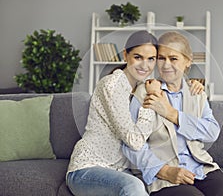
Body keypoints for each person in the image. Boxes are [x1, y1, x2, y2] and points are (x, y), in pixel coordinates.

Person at [66, 30, 204, 196]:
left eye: (151, 59)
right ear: (126, 55)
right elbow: (135, 141)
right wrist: (150, 97)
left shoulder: (142, 85)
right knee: (133, 187)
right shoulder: (113, 84)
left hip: (121, 170)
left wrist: (192, 86)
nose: (144, 65)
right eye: (138, 57)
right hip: (88, 168)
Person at [123, 31, 223, 196]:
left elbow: (212, 132)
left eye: (173, 58)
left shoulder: (196, 92)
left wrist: (172, 114)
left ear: (188, 61)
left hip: (199, 167)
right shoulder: (144, 92)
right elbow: (131, 144)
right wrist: (164, 171)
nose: (166, 65)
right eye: (161, 58)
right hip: (163, 174)